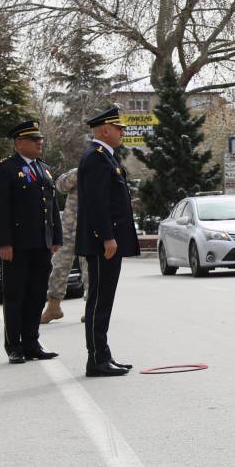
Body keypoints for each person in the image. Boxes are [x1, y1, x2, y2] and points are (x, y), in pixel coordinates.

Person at [0, 120, 63, 364]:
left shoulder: (44, 169)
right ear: (19, 143)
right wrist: (5, 243)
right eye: (33, 139)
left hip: (41, 243)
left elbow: (52, 208)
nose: (39, 142)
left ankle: (32, 342)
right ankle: (14, 345)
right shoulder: (5, 169)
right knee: (15, 296)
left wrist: (56, 238)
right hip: (18, 245)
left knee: (36, 295)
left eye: (40, 139)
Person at [76, 107, 139, 377]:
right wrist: (107, 237)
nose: (122, 131)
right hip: (102, 242)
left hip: (108, 240)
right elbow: (97, 202)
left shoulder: (107, 158)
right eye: (118, 127)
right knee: (99, 301)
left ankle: (103, 354)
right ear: (104, 130)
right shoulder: (96, 158)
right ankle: (96, 359)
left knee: (105, 300)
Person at [41, 168, 87, 324]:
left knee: (90, 270)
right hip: (68, 230)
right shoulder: (78, 172)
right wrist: (77, 174)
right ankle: (54, 307)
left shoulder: (103, 173)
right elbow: (59, 186)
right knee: (58, 267)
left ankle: (92, 307)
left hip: (90, 230)